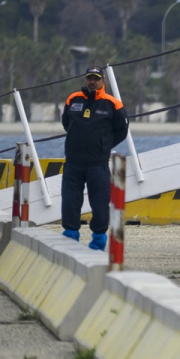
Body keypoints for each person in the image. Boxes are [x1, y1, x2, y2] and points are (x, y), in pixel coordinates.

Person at [60, 67, 128, 251]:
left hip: (97, 165)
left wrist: (104, 144)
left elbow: (122, 130)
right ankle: (70, 236)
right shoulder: (73, 100)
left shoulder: (113, 104)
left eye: (96, 79)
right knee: (69, 202)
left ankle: (98, 239)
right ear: (85, 80)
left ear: (102, 81)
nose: (92, 82)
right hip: (73, 163)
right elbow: (66, 123)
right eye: (89, 78)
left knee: (100, 204)